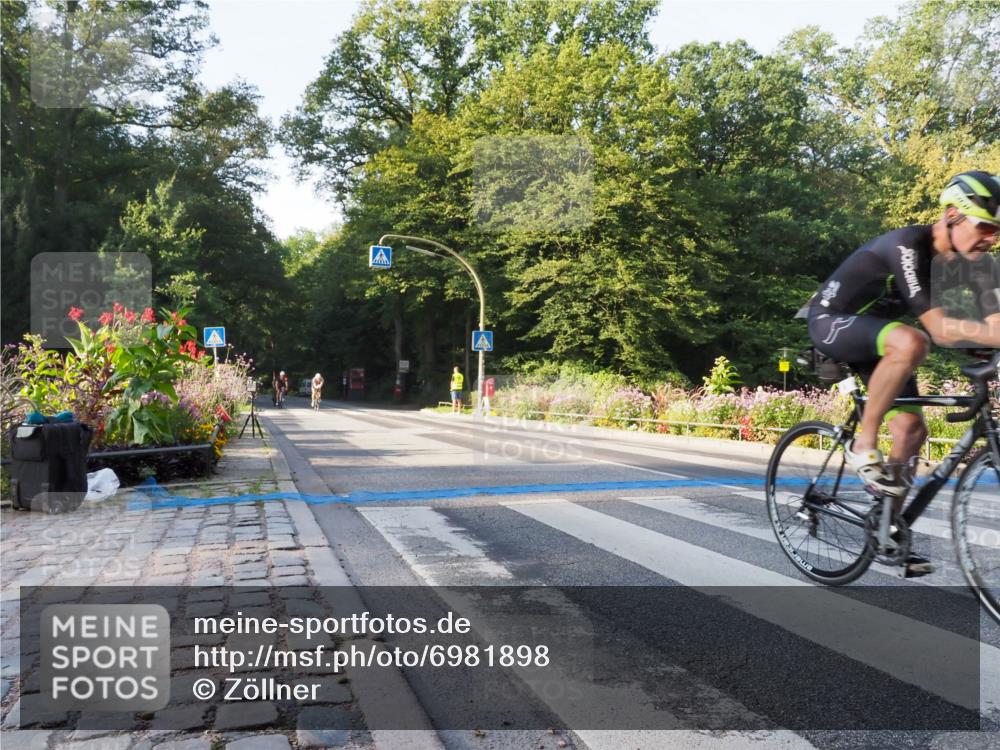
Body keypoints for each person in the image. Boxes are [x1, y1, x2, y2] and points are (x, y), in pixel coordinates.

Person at [807, 170, 1000, 574]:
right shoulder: (907, 246)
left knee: (913, 432)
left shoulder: (977, 264)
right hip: (833, 322)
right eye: (984, 226)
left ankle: (886, 531)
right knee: (914, 341)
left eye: (997, 231)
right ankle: (864, 443)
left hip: (880, 343)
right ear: (951, 214)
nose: (991, 239)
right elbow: (942, 329)